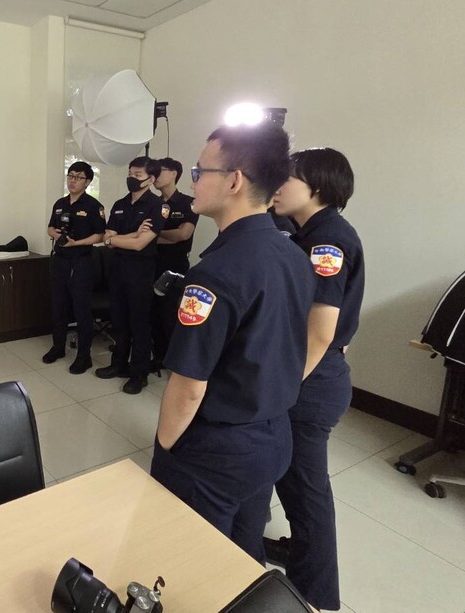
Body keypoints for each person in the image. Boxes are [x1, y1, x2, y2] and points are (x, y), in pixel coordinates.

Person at [148, 123, 315, 563]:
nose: (193, 181)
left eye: (200, 171)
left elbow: (189, 386)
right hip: (273, 436)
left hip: (217, 451)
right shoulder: (293, 255)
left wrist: (166, 449)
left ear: (234, 181)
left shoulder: (215, 274)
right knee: (241, 558)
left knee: (194, 563)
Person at [265, 148, 364, 611]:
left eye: (289, 178)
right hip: (314, 373)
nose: (278, 185)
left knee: (307, 489)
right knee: (293, 481)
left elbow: (322, 331)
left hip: (311, 382)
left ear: (318, 188)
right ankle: (301, 551)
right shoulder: (308, 232)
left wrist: (283, 389)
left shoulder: (328, 240)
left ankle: (314, 591)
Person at [95, 157, 164, 394]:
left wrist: (117, 240)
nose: (131, 178)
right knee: (119, 321)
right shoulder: (120, 204)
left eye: (137, 175)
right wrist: (132, 235)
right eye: (130, 173)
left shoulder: (157, 206)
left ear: (151, 179)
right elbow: (107, 238)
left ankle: (139, 374)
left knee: (139, 323)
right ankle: (119, 365)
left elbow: (139, 244)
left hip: (140, 272)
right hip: (117, 269)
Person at [43, 161, 106, 374]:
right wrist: (55, 235)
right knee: (58, 306)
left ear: (87, 182)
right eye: (70, 175)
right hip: (59, 261)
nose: (73, 181)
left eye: (78, 177)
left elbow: (100, 235)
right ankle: (58, 347)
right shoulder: (60, 203)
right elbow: (50, 227)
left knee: (81, 310)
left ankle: (84, 356)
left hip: (81, 262)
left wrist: (76, 243)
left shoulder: (93, 206)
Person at [150, 157, 199, 371]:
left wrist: (153, 235)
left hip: (175, 267)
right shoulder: (153, 203)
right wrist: (162, 237)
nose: (155, 176)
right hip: (150, 263)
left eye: (159, 171)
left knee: (170, 315)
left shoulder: (187, 203)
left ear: (173, 173)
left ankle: (174, 360)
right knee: (152, 314)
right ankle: (158, 356)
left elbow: (183, 234)